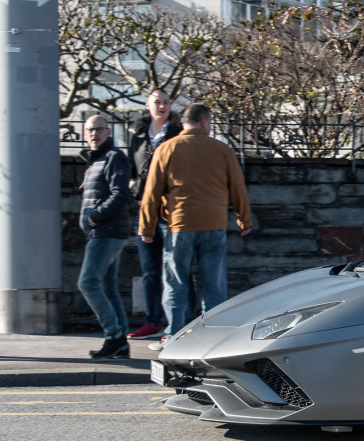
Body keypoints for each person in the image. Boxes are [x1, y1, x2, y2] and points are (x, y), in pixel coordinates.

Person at [139, 103, 252, 342]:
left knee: (175, 284)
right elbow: (238, 188)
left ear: (182, 123)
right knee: (214, 287)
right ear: (204, 121)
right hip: (214, 224)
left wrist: (146, 226)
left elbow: (152, 191)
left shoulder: (166, 149)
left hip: (179, 225)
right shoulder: (222, 150)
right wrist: (244, 219)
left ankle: (173, 336)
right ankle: (211, 338)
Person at [126, 89, 182, 339]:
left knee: (174, 268)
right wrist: (131, 184)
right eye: (157, 102)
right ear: (148, 105)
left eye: (166, 102)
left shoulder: (177, 134)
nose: (162, 106)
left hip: (169, 211)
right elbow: (131, 166)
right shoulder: (138, 136)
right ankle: (153, 320)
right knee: (149, 269)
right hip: (143, 209)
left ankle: (179, 321)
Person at [78, 114, 133, 359]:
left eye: (100, 129)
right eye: (90, 129)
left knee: (87, 282)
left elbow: (120, 193)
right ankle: (120, 343)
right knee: (108, 287)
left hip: (106, 232)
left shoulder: (114, 157)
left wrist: (94, 217)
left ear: (108, 132)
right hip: (100, 232)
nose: (95, 133)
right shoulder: (96, 160)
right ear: (84, 132)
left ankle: (113, 336)